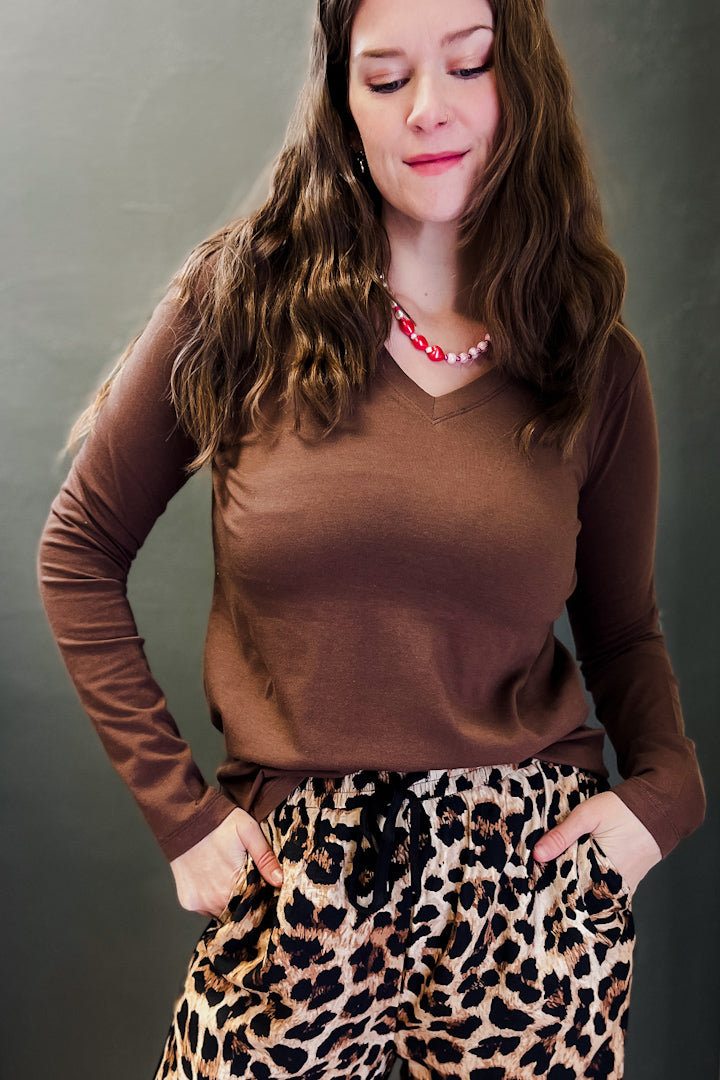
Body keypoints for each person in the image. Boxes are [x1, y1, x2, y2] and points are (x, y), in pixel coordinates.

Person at [37, 0, 706, 1077]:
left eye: (470, 64)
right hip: (293, 882)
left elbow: (624, 632)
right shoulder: (238, 306)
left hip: (526, 892)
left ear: (522, 82)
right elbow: (78, 551)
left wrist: (667, 796)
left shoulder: (594, 362)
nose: (428, 108)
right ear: (343, 103)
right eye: (387, 77)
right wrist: (181, 817)